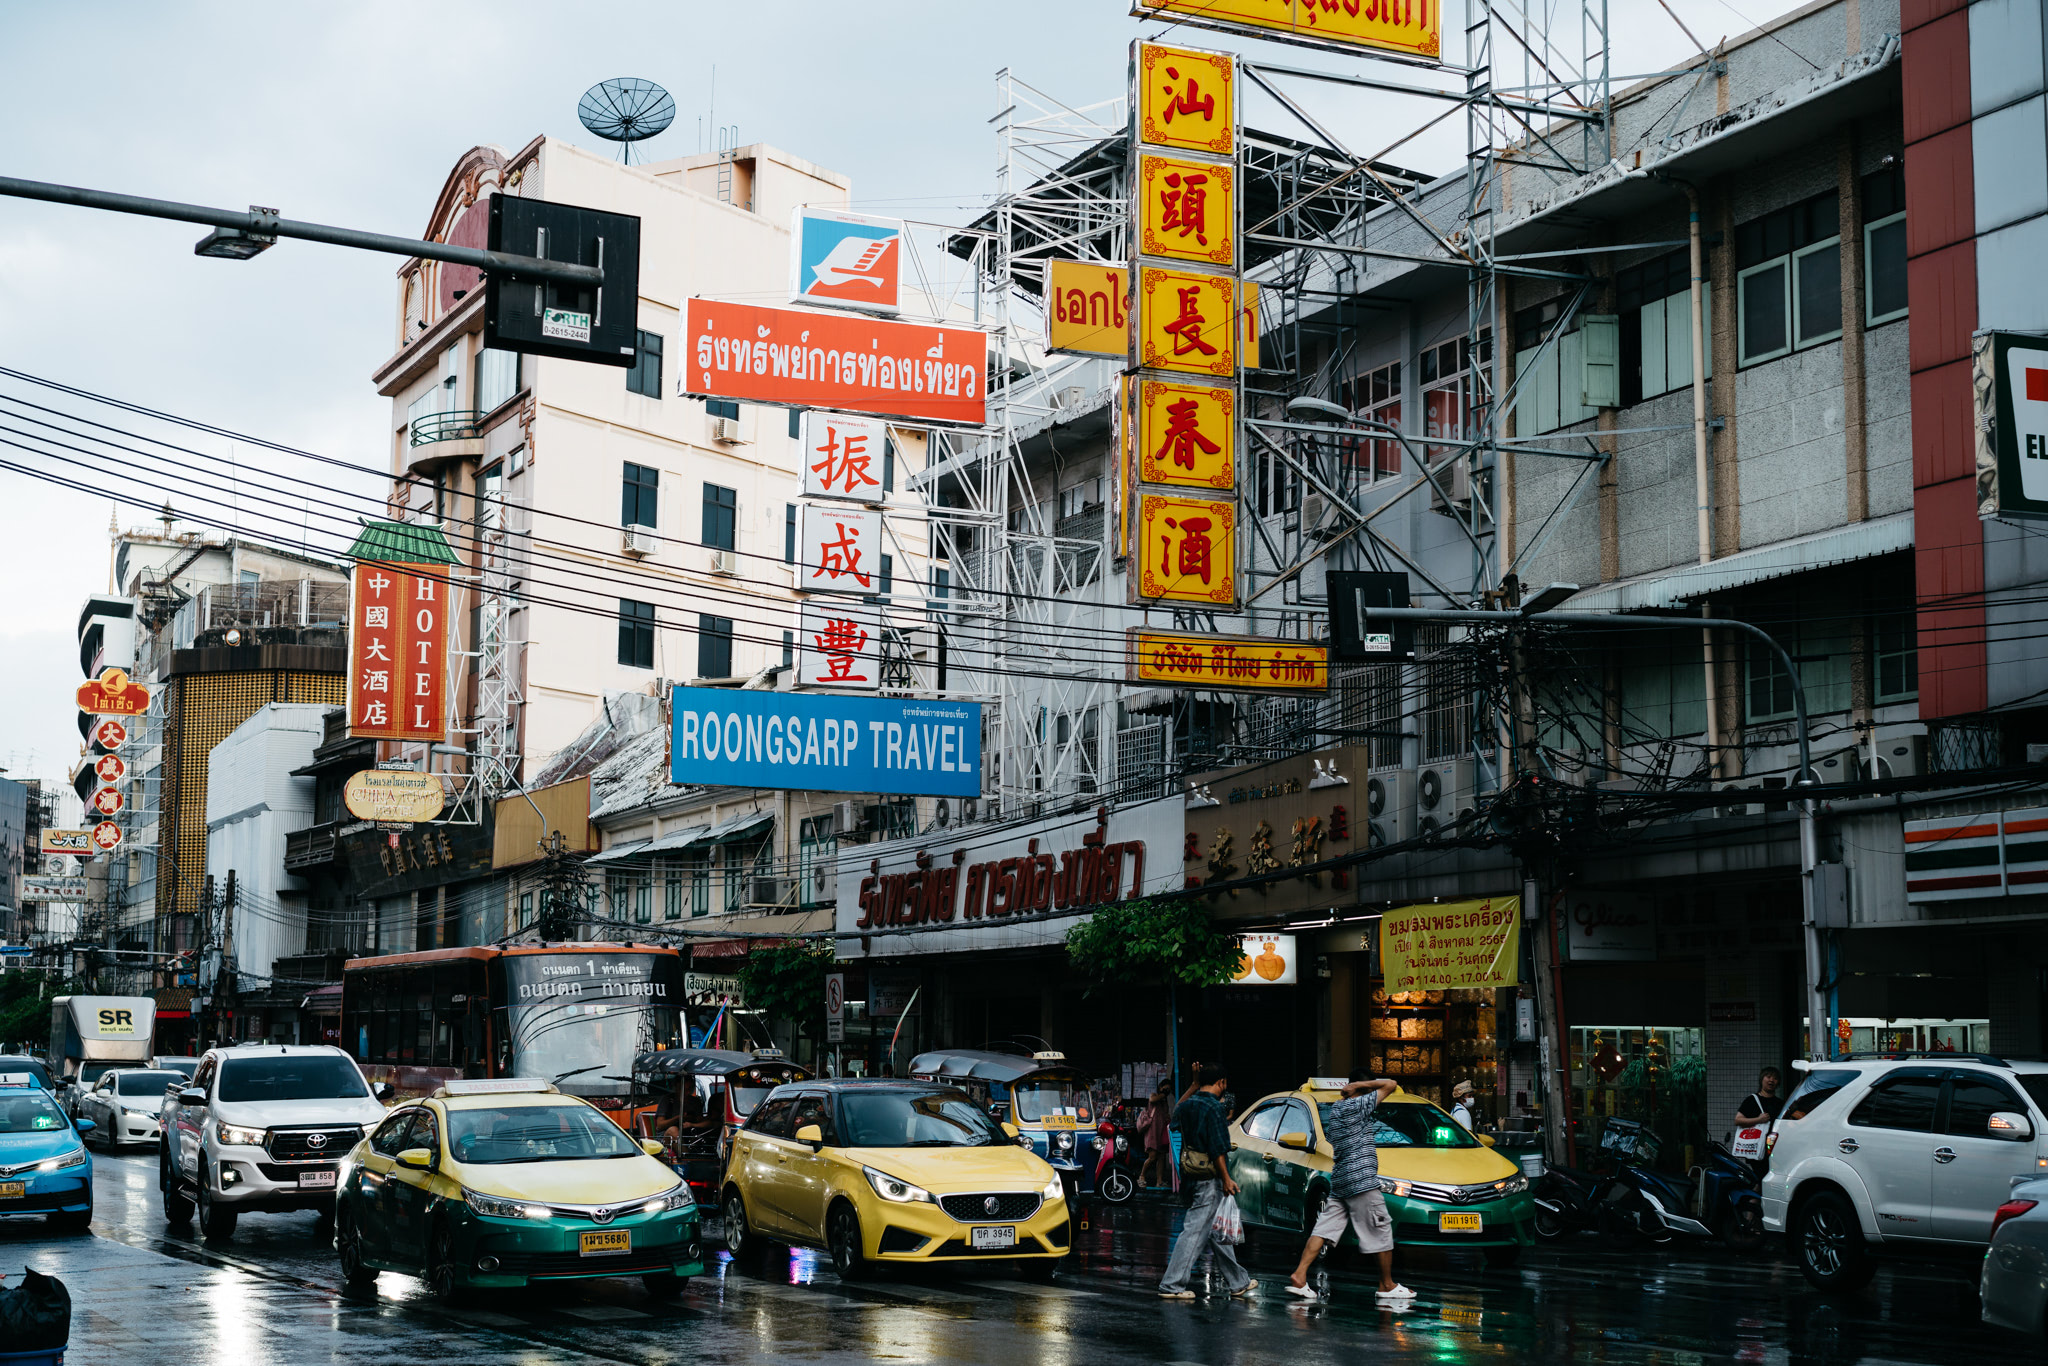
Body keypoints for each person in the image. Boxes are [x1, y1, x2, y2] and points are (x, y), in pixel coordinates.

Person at [1286, 1070, 1408, 1306]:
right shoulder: (1357, 1105)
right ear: (1363, 1088)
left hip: (1341, 1179)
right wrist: (1362, 1085)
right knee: (1381, 1228)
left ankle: (1300, 1276)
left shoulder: (1337, 1109)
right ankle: (1387, 1285)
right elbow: (1391, 1084)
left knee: (1324, 1229)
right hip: (1361, 1180)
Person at [1158, 1065, 1257, 1301]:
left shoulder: (1190, 1104)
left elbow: (1175, 1118)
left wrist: (1192, 1084)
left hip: (1190, 1174)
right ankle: (1171, 1285)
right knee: (1194, 1230)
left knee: (1216, 1230)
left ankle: (1238, 1282)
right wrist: (1226, 1179)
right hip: (1208, 1178)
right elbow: (1218, 1149)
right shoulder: (1215, 1107)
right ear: (1221, 1082)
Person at [1139, 1080, 1175, 1190]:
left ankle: (1159, 1181)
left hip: (1161, 1132)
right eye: (1165, 1088)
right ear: (1160, 1087)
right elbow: (1152, 1099)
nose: (1166, 1091)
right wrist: (1163, 1094)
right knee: (1152, 1156)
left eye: (1168, 1089)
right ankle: (1141, 1176)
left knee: (1161, 1157)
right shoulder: (1154, 1096)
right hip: (1152, 1132)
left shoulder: (1164, 1102)